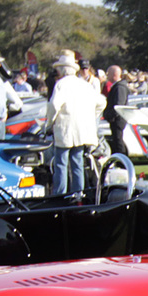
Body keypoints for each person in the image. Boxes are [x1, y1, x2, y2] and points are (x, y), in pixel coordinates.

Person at [46, 55, 103, 197]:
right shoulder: (85, 84)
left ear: (61, 70)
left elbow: (53, 105)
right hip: (81, 131)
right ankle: (78, 193)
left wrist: (49, 123)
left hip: (65, 129)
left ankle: (60, 194)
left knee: (61, 164)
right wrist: (92, 116)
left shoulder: (61, 84)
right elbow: (101, 102)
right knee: (77, 162)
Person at [103, 66, 130, 156]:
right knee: (116, 141)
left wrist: (111, 116)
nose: (107, 76)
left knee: (118, 142)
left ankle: (122, 163)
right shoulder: (117, 86)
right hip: (116, 120)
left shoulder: (120, 87)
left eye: (108, 73)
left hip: (118, 120)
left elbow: (119, 105)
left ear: (114, 74)